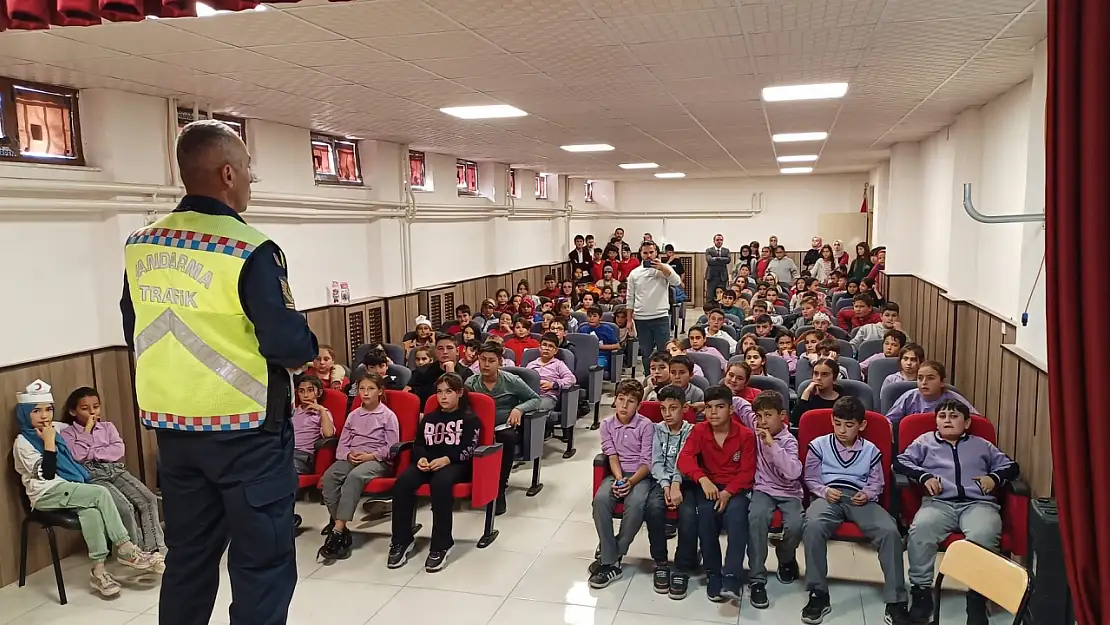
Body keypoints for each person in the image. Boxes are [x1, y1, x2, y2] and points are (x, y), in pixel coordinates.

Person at [120, 120, 317, 625]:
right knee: (262, 564)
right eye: (249, 169)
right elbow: (286, 345)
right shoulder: (249, 248)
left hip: (175, 433)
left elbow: (132, 326)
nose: (252, 179)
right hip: (246, 432)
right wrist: (308, 342)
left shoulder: (141, 245)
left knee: (188, 559)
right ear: (228, 173)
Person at [14, 381, 160, 597]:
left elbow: (87, 434)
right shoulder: (23, 442)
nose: (44, 416)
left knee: (90, 511)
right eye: (36, 411)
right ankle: (126, 548)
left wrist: (60, 435)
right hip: (45, 494)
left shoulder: (56, 429)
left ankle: (98, 573)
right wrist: (49, 443)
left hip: (69, 487)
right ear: (25, 414)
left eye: (48, 409)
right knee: (100, 493)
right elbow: (47, 474)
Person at [895, 400, 1020, 625]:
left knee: (984, 536)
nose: (947, 421)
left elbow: (1011, 466)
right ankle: (921, 594)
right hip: (939, 503)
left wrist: (994, 478)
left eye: (953, 417)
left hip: (978, 504)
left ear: (967, 422)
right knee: (921, 531)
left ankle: (977, 600)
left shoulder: (981, 445)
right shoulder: (924, 442)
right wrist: (925, 476)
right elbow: (900, 462)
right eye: (942, 416)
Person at [802, 397, 910, 625]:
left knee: (889, 531)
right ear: (832, 420)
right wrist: (823, 490)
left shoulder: (870, 450)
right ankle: (818, 594)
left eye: (849, 425)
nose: (842, 430)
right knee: (813, 525)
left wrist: (868, 494)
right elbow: (810, 478)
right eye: (838, 423)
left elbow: (877, 483)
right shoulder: (819, 444)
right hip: (829, 495)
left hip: (860, 498)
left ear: (861, 425)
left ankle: (896, 600)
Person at [59, 387, 167, 564]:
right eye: (85, 408)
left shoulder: (107, 427)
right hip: (92, 475)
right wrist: (87, 432)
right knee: (124, 507)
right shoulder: (67, 433)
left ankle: (155, 550)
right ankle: (133, 553)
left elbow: (117, 450)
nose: (92, 411)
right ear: (73, 411)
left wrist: (92, 452)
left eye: (96, 406)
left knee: (148, 499)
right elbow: (76, 456)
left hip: (114, 469)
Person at [388, 374, 481, 573]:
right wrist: (420, 458)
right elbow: (419, 444)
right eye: (439, 392)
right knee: (403, 483)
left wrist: (447, 459)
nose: (443, 397)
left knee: (440, 484)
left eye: (449, 392)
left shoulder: (470, 419)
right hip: (428, 462)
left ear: (459, 393)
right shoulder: (429, 418)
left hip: (456, 463)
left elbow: (470, 448)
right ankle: (401, 541)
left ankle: (441, 544)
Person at [677, 385, 756, 602]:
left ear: (731, 409)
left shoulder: (746, 435)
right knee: (705, 515)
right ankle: (713, 573)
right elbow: (685, 459)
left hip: (735, 488)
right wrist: (703, 480)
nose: (713, 412)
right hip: (709, 485)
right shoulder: (699, 430)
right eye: (709, 407)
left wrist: (728, 492)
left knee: (738, 517)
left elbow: (747, 472)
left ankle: (731, 575)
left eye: (720, 407)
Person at [318, 373, 399, 560]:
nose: (365, 393)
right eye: (362, 389)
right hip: (353, 456)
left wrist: (370, 456)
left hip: (376, 460)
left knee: (354, 478)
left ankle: (337, 531)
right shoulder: (354, 415)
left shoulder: (388, 416)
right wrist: (348, 454)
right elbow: (343, 443)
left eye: (371, 389)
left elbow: (391, 447)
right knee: (330, 478)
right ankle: (343, 527)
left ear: (380, 391)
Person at [736, 390, 804, 609]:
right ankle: (757, 579)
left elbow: (793, 472)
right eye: (759, 416)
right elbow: (738, 403)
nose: (762, 421)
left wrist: (771, 445)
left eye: (768, 415)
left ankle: (785, 557)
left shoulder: (788, 441)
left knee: (795, 525)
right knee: (756, 518)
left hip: (788, 492)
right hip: (763, 489)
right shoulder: (755, 424)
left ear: (782, 415)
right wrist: (704, 404)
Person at [589, 379, 655, 588]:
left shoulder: (646, 425)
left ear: (639, 405)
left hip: (640, 475)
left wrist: (631, 480)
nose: (625, 406)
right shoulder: (607, 424)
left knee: (635, 505)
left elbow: (647, 462)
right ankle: (610, 557)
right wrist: (619, 479)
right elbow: (612, 455)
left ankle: (613, 555)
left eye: (631, 401)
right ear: (615, 400)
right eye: (621, 400)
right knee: (600, 501)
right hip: (618, 473)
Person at [465, 341, 543, 515]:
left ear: (499, 361)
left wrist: (519, 409)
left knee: (506, 439)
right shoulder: (472, 382)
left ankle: (499, 490)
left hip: (505, 426)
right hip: (480, 427)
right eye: (482, 360)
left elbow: (535, 399)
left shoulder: (511, 380)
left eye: (491, 360)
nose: (485, 364)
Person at [647, 385, 698, 599]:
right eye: (663, 409)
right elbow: (656, 461)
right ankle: (660, 561)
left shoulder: (692, 431)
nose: (667, 414)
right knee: (653, 508)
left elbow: (685, 460)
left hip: (686, 481)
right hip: (662, 481)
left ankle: (682, 565)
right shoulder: (656, 429)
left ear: (684, 408)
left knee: (689, 515)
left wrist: (676, 483)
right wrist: (666, 485)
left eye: (673, 408)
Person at [626, 240, 682, 372]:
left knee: (664, 352)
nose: (649, 255)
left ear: (656, 252)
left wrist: (663, 268)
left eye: (651, 252)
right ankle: (649, 378)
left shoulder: (664, 269)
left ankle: (666, 380)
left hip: (660, 317)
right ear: (641, 254)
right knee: (646, 353)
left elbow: (677, 281)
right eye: (645, 253)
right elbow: (630, 298)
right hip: (641, 318)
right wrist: (629, 320)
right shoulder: (634, 274)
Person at [886, 361, 978, 424]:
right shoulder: (909, 397)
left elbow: (977, 420)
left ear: (942, 382)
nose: (924, 382)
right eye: (920, 378)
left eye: (930, 378)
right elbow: (888, 420)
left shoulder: (954, 399)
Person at [407, 333, 473, 404]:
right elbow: (408, 395)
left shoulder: (466, 373)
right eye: (440, 348)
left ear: (457, 351)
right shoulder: (422, 371)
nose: (445, 352)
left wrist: (451, 374)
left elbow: (463, 401)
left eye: (449, 348)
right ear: (435, 351)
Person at [526, 333, 577, 414]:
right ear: (539, 347)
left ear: (555, 350)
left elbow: (571, 379)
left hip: (548, 397)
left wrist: (553, 385)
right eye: (544, 345)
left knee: (535, 408)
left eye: (550, 346)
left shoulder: (558, 364)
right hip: (530, 396)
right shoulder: (531, 364)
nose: (546, 348)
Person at [705, 233, 731, 306]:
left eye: (721, 240)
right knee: (710, 295)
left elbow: (728, 260)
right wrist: (722, 260)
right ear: (714, 241)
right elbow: (709, 260)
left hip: (722, 276)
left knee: (722, 295)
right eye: (717, 240)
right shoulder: (709, 250)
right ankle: (709, 310)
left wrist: (717, 259)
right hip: (712, 276)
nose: (719, 241)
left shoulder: (726, 250)